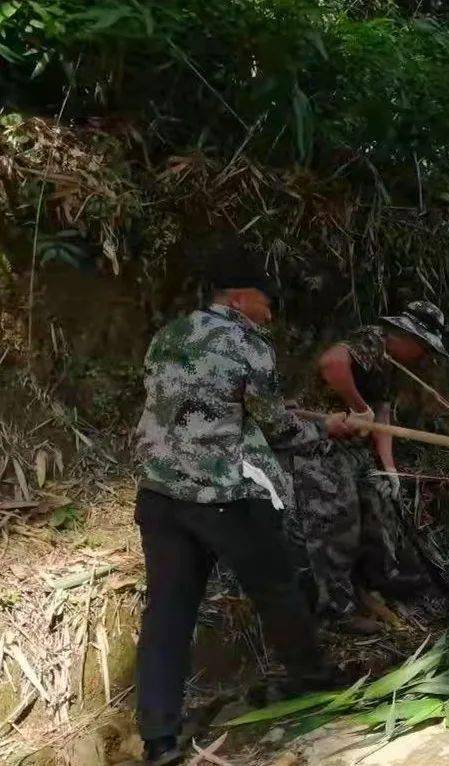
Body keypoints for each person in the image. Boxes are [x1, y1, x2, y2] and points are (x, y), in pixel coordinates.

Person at [133, 251, 356, 766]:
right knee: (277, 586)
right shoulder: (245, 342)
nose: (271, 312)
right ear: (237, 298)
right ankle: (311, 679)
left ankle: (159, 738)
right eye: (266, 301)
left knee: (167, 610)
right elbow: (277, 428)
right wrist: (328, 427)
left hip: (161, 495)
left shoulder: (169, 335)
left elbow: (199, 405)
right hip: (225, 496)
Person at [282, 301, 449, 623]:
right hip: (317, 434)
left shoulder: (391, 366)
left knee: (379, 500)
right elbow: (331, 363)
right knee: (338, 515)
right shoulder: (374, 341)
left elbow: (382, 419)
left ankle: (381, 585)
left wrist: (389, 468)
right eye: (423, 347)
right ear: (407, 337)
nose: (424, 356)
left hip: (352, 445)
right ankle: (336, 610)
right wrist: (358, 406)